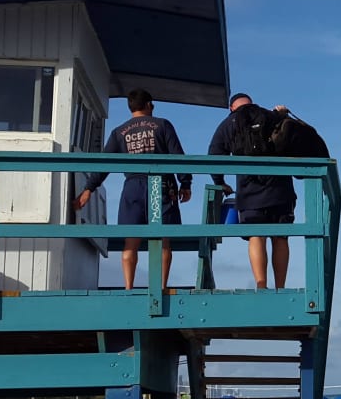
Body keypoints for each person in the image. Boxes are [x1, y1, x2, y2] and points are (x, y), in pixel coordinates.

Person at [76, 89, 192, 290]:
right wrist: (185, 183)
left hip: (132, 187)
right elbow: (177, 157)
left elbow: (105, 163)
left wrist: (88, 189)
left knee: (130, 242)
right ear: (149, 104)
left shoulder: (119, 132)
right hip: (162, 185)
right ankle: (161, 287)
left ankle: (128, 287)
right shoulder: (162, 125)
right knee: (163, 240)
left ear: (130, 107)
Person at [208, 92, 298, 289]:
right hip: (280, 187)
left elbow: (214, 154)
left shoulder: (228, 123)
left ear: (232, 108)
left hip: (249, 189)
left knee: (256, 235)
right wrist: (282, 114)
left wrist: (220, 182)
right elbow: (289, 136)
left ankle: (261, 284)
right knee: (281, 237)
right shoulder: (267, 115)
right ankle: (280, 287)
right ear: (252, 103)